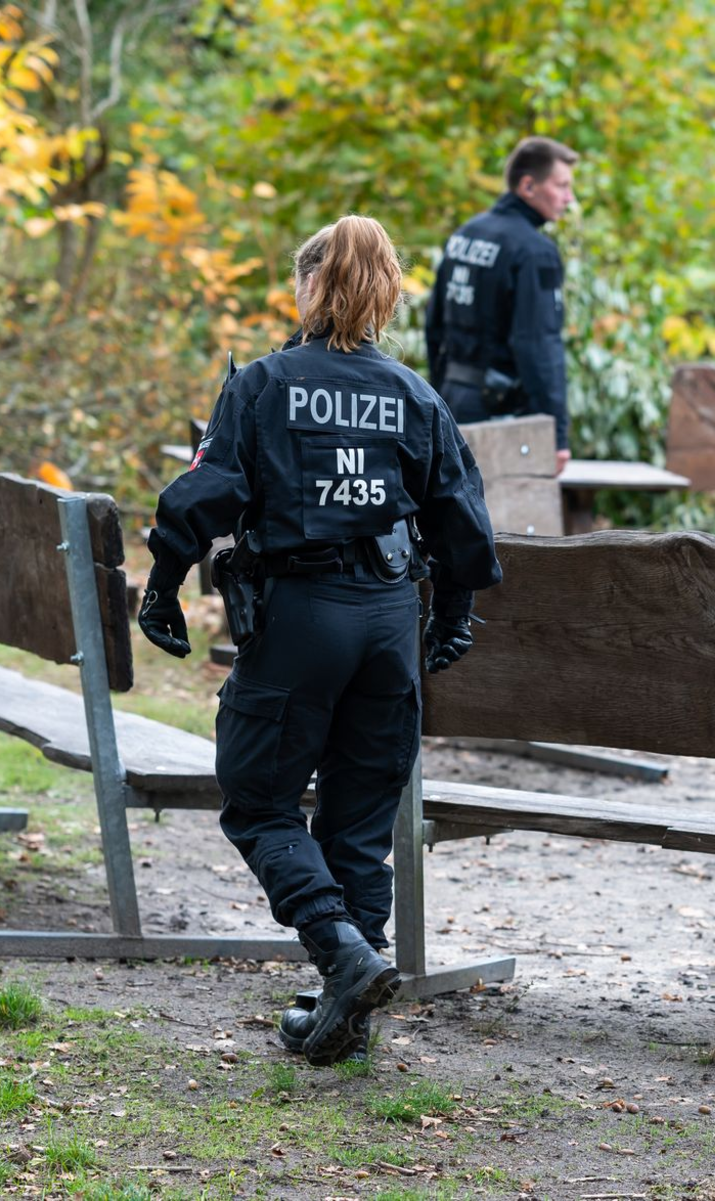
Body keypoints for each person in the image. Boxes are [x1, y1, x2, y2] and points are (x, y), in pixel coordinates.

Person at [138, 215, 502, 1066]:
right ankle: (348, 1010)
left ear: (308, 287)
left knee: (260, 801)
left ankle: (341, 953)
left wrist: (160, 588)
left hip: (303, 617)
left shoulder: (263, 384)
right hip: (388, 621)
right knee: (359, 819)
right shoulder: (416, 395)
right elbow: (464, 524)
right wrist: (450, 618)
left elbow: (204, 494)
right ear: (387, 292)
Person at [425, 135, 577, 475]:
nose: (569, 198)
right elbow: (538, 345)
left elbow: (433, 323)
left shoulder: (467, 233)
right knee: (509, 521)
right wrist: (557, 435)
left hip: (451, 398)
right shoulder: (534, 251)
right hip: (502, 416)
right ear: (528, 186)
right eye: (562, 186)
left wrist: (438, 397)